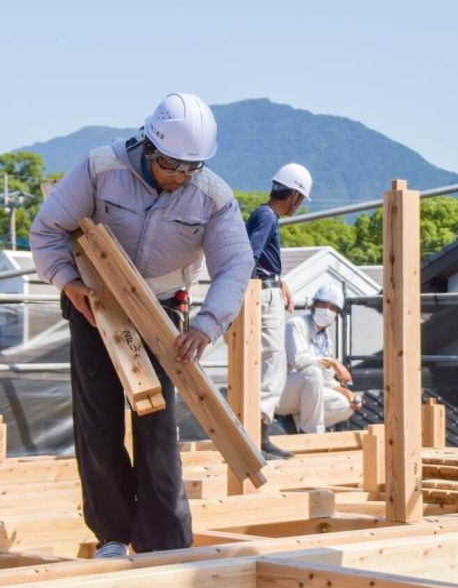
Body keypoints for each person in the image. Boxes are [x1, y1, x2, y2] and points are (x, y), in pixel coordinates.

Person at [30, 92, 254, 558]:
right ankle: (112, 535)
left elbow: (235, 265)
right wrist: (69, 283)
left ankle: (164, 540)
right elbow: (47, 231)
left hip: (162, 311)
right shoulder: (100, 169)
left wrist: (207, 324)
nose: (179, 178)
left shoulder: (213, 197)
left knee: (157, 424)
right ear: (150, 147)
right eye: (172, 166)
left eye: (189, 169)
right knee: (99, 420)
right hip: (95, 302)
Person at [245, 162, 312, 459]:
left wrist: (280, 280)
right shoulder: (267, 216)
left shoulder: (264, 215)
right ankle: (259, 436)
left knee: (269, 362)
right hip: (263, 295)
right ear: (295, 196)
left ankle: (258, 436)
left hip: (267, 289)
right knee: (273, 363)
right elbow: (250, 256)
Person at [278, 282, 360, 434]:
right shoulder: (296, 324)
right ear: (313, 305)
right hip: (281, 393)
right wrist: (334, 363)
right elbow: (298, 361)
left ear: (336, 314)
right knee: (313, 373)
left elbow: (327, 380)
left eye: (333, 308)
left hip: (305, 396)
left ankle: (296, 424)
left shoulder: (326, 340)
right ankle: (312, 434)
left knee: (345, 405)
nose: (327, 310)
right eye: (323, 304)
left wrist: (347, 393)